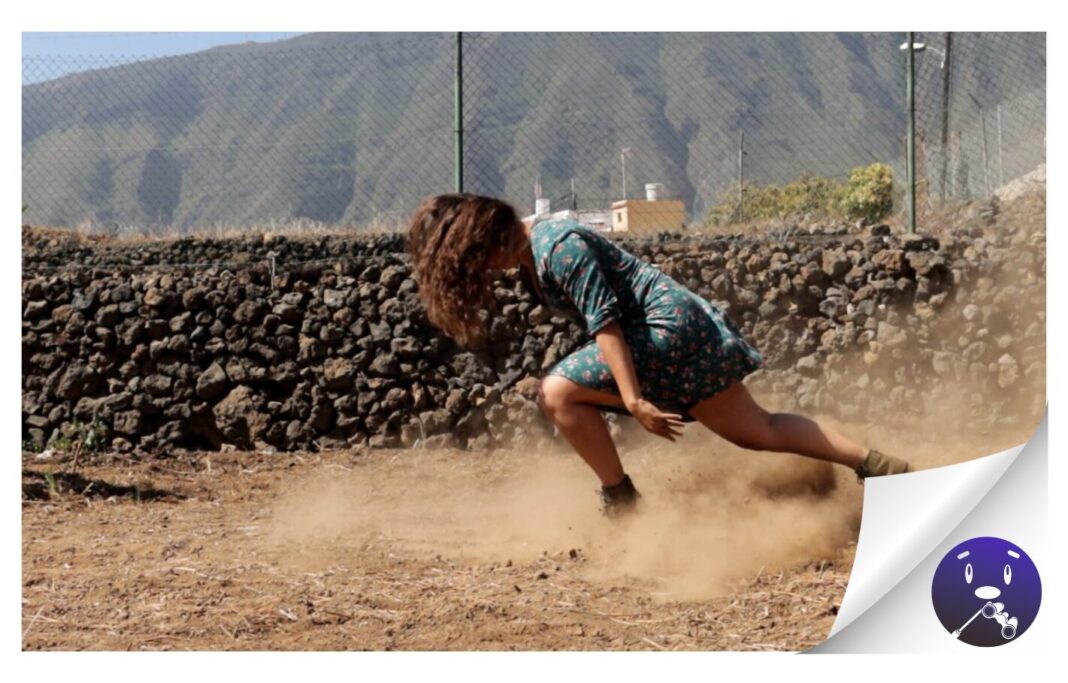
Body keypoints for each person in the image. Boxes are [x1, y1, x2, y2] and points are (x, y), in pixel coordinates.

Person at [405, 193, 911, 515]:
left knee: (557, 392)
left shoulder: (557, 247)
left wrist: (633, 400)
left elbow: (604, 324)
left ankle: (622, 502)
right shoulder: (535, 255)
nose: (479, 269)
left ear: (483, 241)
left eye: (470, 256)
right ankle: (881, 466)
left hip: (665, 330)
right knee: (760, 430)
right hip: (679, 329)